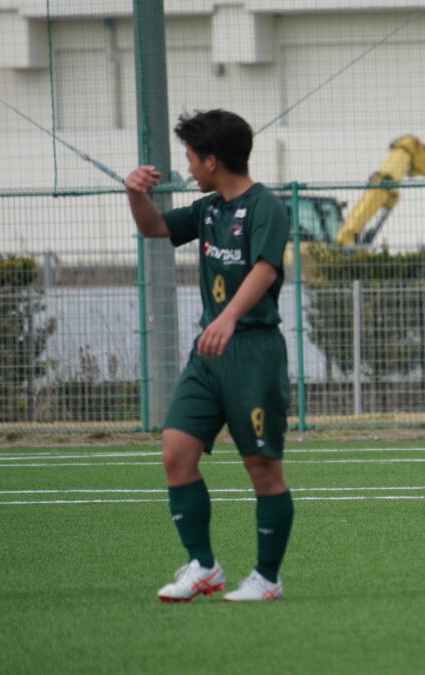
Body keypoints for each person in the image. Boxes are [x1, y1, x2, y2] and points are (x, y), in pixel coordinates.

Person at [125, 109, 294, 600]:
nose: (188, 168)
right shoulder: (208, 209)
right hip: (208, 356)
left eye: (191, 158)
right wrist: (134, 194)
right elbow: (154, 228)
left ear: (212, 160)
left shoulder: (266, 206)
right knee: (175, 453)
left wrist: (228, 316)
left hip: (254, 352)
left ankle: (266, 578)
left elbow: (265, 268)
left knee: (262, 468)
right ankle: (203, 566)